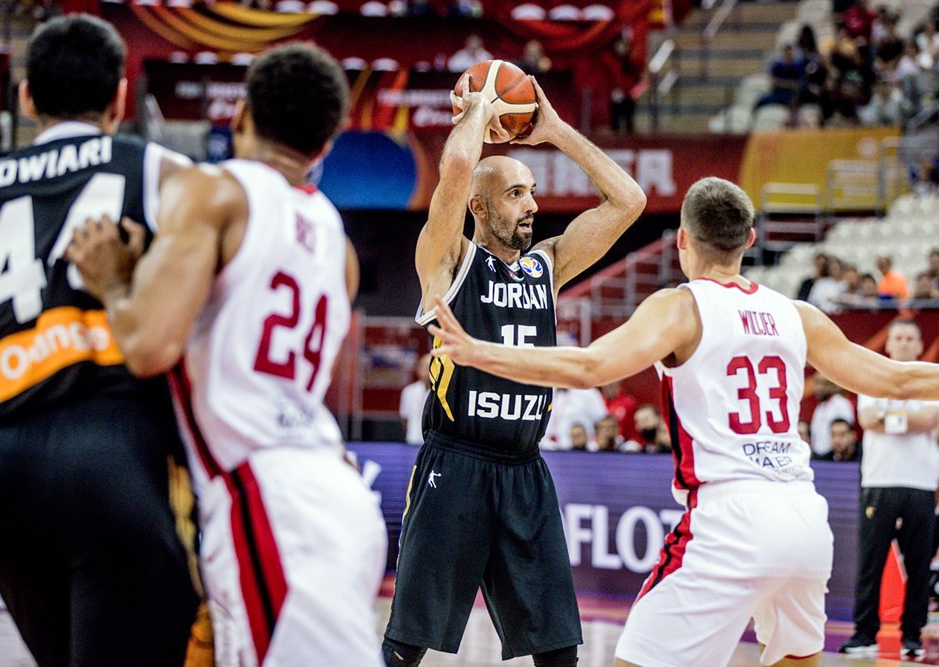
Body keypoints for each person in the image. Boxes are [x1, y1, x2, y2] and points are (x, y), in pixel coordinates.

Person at [427, 175, 939, 667]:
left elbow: (588, 367)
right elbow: (896, 380)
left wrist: (481, 352)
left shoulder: (681, 308)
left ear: (683, 240)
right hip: (805, 518)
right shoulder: (796, 314)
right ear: (750, 240)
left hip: (730, 517)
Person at [66, 43, 388, 667]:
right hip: (336, 491)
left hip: (268, 498)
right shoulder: (338, 242)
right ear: (324, 147)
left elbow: (148, 347)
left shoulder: (215, 191)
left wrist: (113, 281)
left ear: (240, 114)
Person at [0, 15, 199, 666]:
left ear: (26, 98)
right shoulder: (164, 173)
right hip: (120, 453)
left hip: (6, 470)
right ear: (119, 97)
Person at [381, 73, 645, 667]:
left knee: (558, 650)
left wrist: (556, 131)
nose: (531, 205)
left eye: (531, 192)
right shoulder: (448, 261)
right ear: (478, 207)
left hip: (525, 469)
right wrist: (478, 110)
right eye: (515, 194)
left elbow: (629, 201)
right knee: (408, 643)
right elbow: (456, 169)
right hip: (455, 463)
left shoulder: (546, 266)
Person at [839, 319, 939, 658]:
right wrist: (907, 421)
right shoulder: (872, 375)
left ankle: (912, 636)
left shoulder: (930, 377)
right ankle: (864, 634)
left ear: (919, 344)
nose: (904, 343)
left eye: (910, 338)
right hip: (879, 482)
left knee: (919, 565)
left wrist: (888, 419)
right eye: (898, 337)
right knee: (871, 562)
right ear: (890, 343)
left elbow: (929, 420)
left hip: (920, 483)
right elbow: (867, 420)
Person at [809, 372, 855, 458]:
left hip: (833, 457)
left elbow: (845, 432)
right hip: (817, 456)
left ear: (834, 386)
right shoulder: (820, 407)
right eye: (817, 383)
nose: (819, 388)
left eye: (824, 384)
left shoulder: (841, 404)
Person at [399, 353, 430, 444]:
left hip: (431, 443)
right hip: (412, 440)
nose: (427, 371)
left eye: (430, 367)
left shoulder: (440, 393)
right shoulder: (409, 391)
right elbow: (404, 418)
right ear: (418, 369)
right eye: (424, 367)